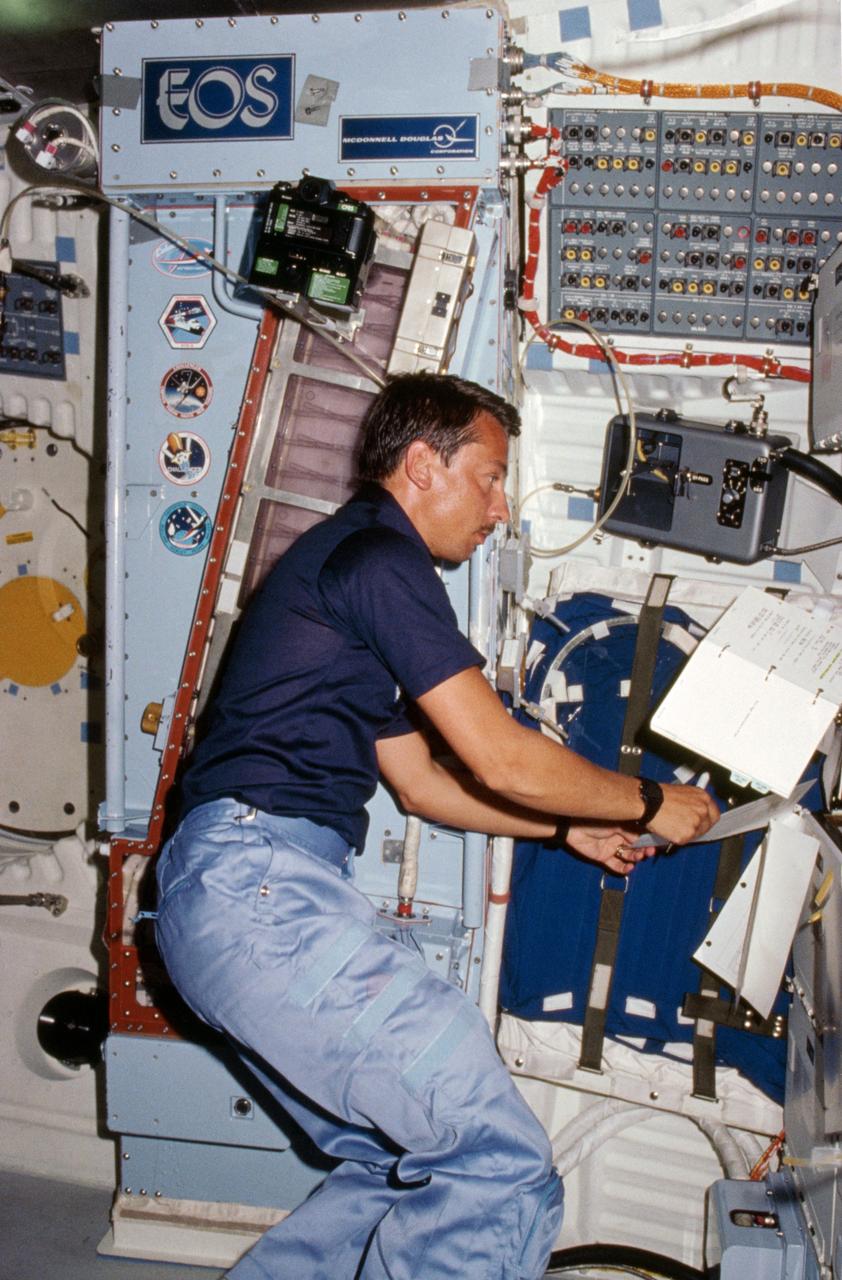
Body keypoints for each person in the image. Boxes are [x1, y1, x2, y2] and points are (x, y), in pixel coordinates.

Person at [155, 372, 717, 1279]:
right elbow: (497, 755)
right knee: (495, 1163)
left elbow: (420, 784)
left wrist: (559, 832)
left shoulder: (347, 564)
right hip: (257, 888)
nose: (500, 507)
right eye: (490, 477)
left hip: (222, 900)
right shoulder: (382, 561)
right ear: (422, 464)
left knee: (397, 1162)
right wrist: (649, 800)